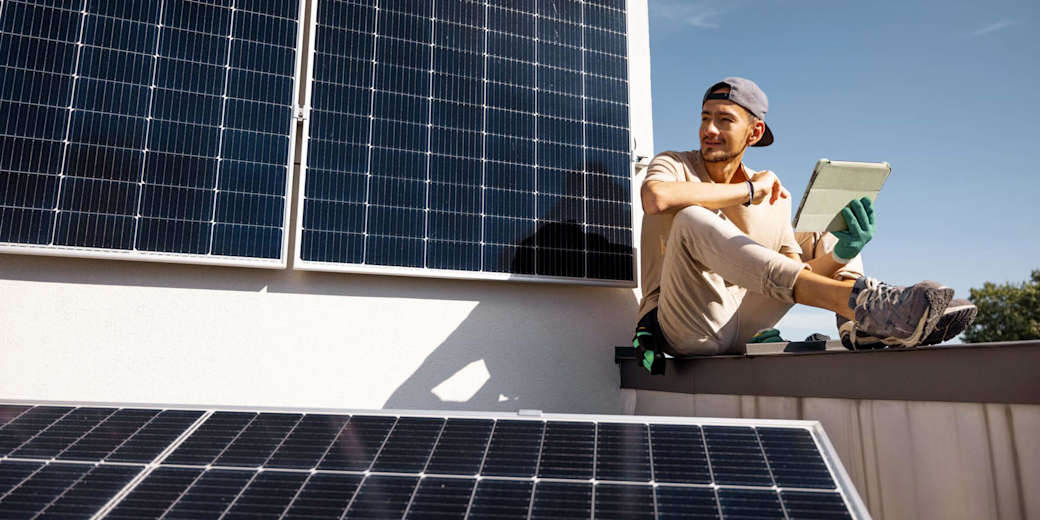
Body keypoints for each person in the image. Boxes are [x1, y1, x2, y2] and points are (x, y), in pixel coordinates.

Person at [636, 77, 976, 356]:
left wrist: (841, 252)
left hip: (745, 324)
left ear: (753, 134)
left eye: (724, 120)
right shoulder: (675, 165)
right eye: (705, 117)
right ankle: (863, 303)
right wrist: (750, 190)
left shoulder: (775, 199)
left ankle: (860, 327)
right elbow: (655, 198)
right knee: (691, 218)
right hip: (685, 326)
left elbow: (793, 279)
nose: (709, 129)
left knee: (824, 227)